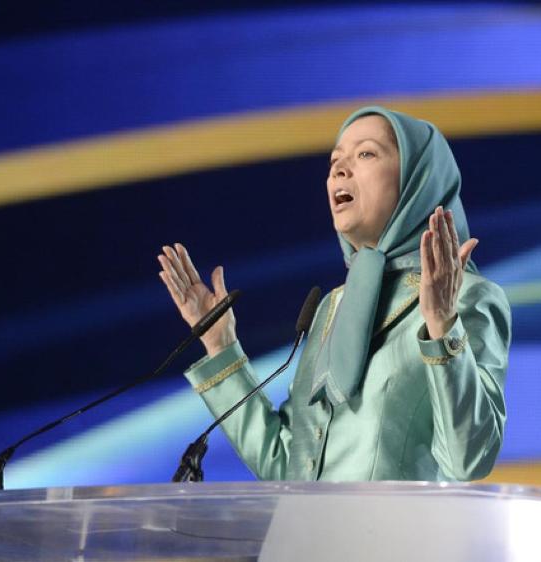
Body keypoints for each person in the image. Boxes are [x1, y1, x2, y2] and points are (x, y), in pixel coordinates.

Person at [157, 106, 511, 481]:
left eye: (366, 154)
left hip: (394, 539)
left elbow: (468, 460)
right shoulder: (333, 307)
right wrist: (221, 346)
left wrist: (442, 325)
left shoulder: (468, 298)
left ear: (416, 180)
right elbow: (286, 466)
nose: (339, 171)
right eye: (335, 161)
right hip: (301, 539)